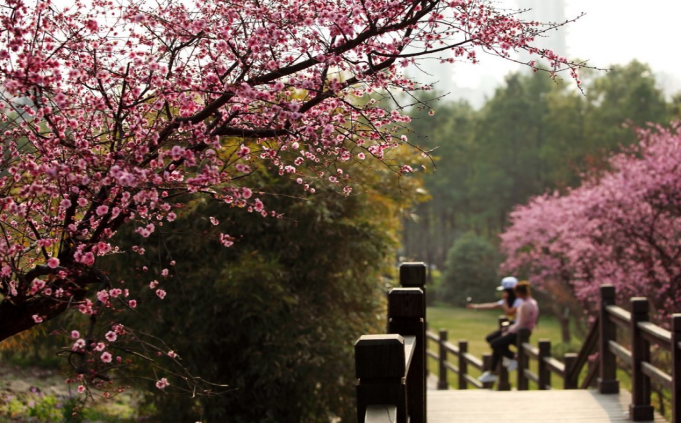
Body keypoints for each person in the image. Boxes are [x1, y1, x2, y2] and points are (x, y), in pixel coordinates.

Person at [477, 281, 539, 383]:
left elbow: (519, 322)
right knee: (492, 339)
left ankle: (512, 358)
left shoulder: (524, 304)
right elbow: (515, 320)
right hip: (516, 328)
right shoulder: (530, 302)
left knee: (495, 344)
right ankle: (496, 368)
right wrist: (507, 327)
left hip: (520, 332)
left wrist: (509, 330)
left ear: (518, 292)